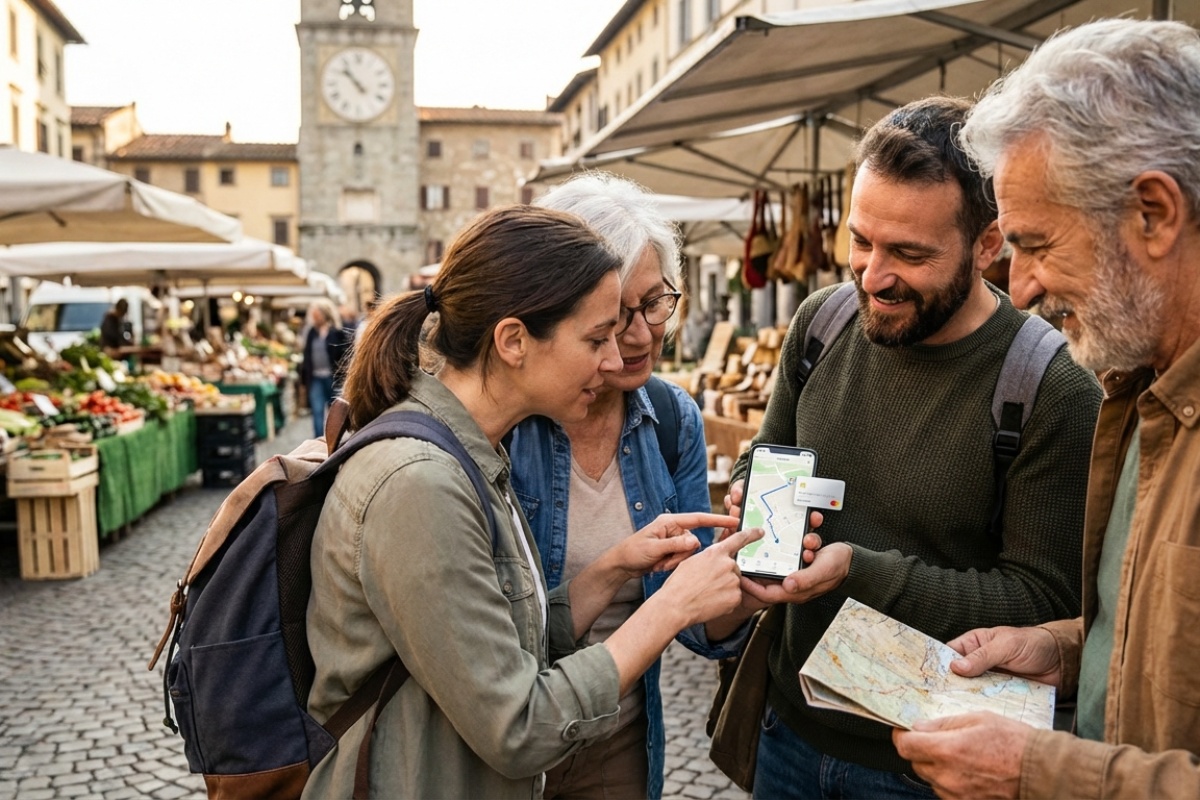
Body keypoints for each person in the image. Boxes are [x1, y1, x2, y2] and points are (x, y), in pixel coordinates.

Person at [302, 205, 762, 799]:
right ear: (514, 341)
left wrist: (613, 567)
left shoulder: (470, 454)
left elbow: (512, 645)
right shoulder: (422, 482)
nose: (615, 359)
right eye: (597, 337)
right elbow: (517, 726)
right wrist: (669, 606)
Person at [720, 95, 1103, 798]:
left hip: (930, 765)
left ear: (989, 245)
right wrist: (754, 494)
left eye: (909, 253)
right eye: (862, 241)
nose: (872, 276)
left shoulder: (1053, 386)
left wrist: (856, 572)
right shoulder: (821, 323)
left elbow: (1046, 599)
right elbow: (766, 452)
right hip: (789, 731)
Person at [893, 19, 1200, 799]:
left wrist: (1039, 772)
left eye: (1036, 243)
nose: (1020, 286)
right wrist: (1064, 649)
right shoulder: (1140, 391)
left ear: (1154, 214)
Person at [505, 173, 736, 800]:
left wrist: (749, 578)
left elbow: (696, 626)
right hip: (504, 753)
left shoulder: (671, 420)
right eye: (615, 315)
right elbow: (487, 650)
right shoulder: (506, 423)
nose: (640, 334)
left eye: (656, 301)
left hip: (622, 739)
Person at [299, 298, 352, 437]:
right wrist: (304, 380)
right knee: (317, 411)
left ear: (325, 314)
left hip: (332, 377)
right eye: (313, 315)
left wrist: (344, 376)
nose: (315, 318)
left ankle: (336, 439)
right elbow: (306, 357)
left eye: (317, 315)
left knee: (336, 412)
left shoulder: (337, 332)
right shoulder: (311, 332)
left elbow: (344, 355)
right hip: (315, 377)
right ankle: (319, 441)